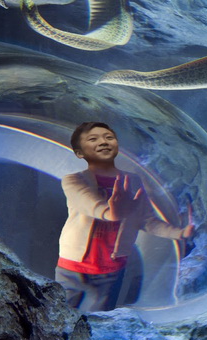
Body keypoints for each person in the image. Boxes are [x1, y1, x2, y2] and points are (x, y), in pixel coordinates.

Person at [54, 121, 194, 312]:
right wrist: (110, 212)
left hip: (111, 269)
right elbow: (88, 203)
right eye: (93, 139)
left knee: (99, 322)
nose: (103, 142)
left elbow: (146, 220)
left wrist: (179, 233)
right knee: (58, 316)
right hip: (73, 266)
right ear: (80, 152)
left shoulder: (133, 181)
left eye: (108, 137)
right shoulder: (74, 180)